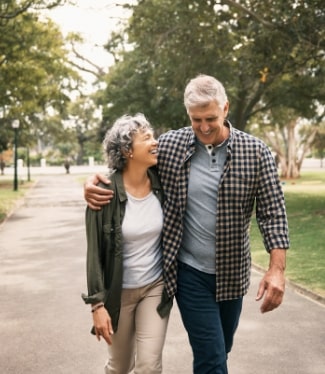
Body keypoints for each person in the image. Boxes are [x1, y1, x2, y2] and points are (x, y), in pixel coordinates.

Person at [84, 75, 289, 374]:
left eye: (211, 119)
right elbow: (129, 163)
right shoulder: (171, 145)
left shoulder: (256, 152)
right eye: (196, 120)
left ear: (226, 108)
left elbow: (273, 213)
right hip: (189, 273)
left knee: (221, 349)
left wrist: (276, 269)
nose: (204, 128)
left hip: (233, 273)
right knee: (211, 358)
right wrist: (94, 181)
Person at [82, 113, 171, 374]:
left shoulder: (162, 182)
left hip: (155, 288)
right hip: (118, 294)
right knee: (120, 367)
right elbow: (94, 255)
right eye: (147, 138)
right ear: (127, 150)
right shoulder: (103, 194)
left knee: (149, 366)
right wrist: (97, 305)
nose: (155, 142)